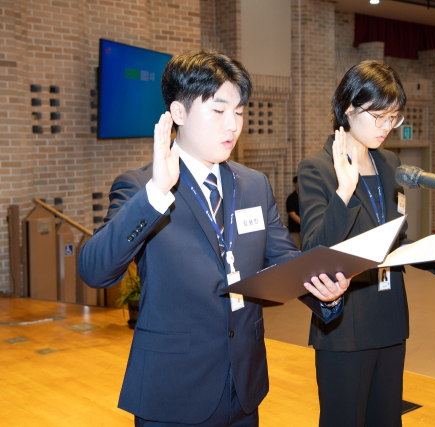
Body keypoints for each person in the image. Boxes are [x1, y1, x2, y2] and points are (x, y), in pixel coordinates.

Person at [78, 50, 351, 426]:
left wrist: (326, 292)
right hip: (174, 392)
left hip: (244, 386)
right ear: (178, 113)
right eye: (218, 111)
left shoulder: (254, 185)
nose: (232, 126)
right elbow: (95, 270)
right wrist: (157, 194)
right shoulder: (142, 186)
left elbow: (285, 260)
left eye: (239, 112)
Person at [297, 60, 435, 427]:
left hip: (391, 318)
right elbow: (315, 249)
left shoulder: (390, 162)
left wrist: (432, 253)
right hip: (346, 323)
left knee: (388, 420)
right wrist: (344, 192)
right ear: (348, 108)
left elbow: (393, 232)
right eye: (378, 116)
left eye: (393, 117)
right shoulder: (317, 168)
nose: (386, 127)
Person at [286, 176, 301, 249]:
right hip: (295, 230)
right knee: (296, 251)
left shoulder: (305, 197)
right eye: (299, 182)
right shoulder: (291, 197)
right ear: (295, 184)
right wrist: (303, 223)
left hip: (305, 230)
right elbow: (292, 214)